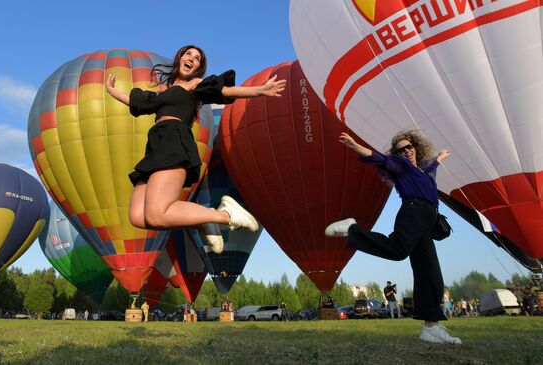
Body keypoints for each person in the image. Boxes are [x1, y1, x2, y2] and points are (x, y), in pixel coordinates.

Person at [106, 45, 286, 254]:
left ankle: (225, 216)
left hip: (174, 141)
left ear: (198, 67)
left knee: (157, 214)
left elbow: (224, 91)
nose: (192, 58)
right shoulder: (164, 92)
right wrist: (113, 92)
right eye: (188, 54)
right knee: (138, 216)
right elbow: (140, 102)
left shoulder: (195, 85)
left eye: (197, 58)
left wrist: (260, 90)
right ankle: (202, 221)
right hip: (155, 145)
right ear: (180, 57)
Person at [325, 130, 461, 345]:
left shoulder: (424, 171)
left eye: (409, 147)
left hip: (427, 219)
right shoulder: (402, 166)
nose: (406, 151)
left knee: (430, 273)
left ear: (416, 148)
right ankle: (352, 229)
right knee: (398, 249)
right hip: (413, 211)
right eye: (401, 150)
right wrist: (355, 146)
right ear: (397, 154)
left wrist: (440, 157)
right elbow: (379, 158)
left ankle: (431, 327)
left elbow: (433, 166)